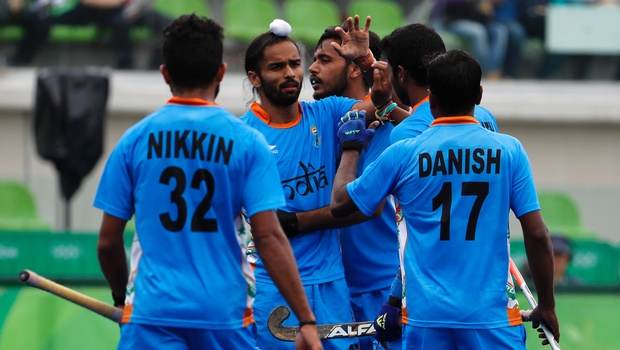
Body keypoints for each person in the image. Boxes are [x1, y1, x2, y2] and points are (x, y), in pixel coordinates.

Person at [94, 14, 322, 350]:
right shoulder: (247, 142)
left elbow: (108, 244)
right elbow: (269, 235)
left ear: (165, 73)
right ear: (220, 72)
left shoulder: (134, 141)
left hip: (152, 313)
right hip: (224, 315)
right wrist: (306, 320)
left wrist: (120, 296)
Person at [330, 49, 560, 349]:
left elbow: (340, 204)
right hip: (492, 319)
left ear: (432, 98)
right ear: (478, 96)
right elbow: (537, 234)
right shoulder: (509, 150)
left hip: (426, 319)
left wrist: (350, 147)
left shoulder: (403, 152)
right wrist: (547, 305)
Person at [240, 16, 400, 350]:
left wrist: (365, 62)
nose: (291, 73)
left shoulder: (327, 113)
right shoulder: (243, 136)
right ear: (254, 77)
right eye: (277, 67)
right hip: (271, 287)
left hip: (331, 286)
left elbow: (384, 99)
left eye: (295, 64)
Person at [307, 26, 401, 350]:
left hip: (383, 287)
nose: (311, 68)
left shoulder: (384, 127)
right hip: (339, 287)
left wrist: (294, 224)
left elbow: (367, 205)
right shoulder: (323, 124)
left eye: (323, 59)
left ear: (352, 67)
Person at [431, 0, 508, 79]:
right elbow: (447, 5)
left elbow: (484, 12)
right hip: (456, 20)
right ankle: (484, 70)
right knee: (478, 32)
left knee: (500, 31)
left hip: (479, 21)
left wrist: (487, 12)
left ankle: (492, 69)